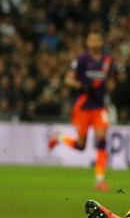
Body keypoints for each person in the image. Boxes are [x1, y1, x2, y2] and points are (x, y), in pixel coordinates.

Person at [48, 30, 112, 191]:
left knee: (102, 140)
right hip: (83, 105)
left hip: (99, 106)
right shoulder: (82, 59)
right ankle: (60, 137)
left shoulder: (107, 60)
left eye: (96, 39)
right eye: (91, 39)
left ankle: (99, 180)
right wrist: (82, 86)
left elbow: (111, 80)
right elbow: (68, 79)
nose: (93, 43)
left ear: (101, 42)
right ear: (87, 42)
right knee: (81, 145)